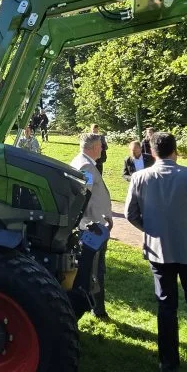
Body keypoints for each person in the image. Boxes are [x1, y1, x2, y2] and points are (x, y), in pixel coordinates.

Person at [124, 132, 187, 372]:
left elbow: (130, 214)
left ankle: (168, 363)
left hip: (159, 251)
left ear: (153, 152)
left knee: (166, 306)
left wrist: (152, 230)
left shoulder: (139, 177)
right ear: (174, 151)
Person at [70, 134, 112, 319]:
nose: (102, 150)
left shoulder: (84, 162)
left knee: (94, 268)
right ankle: (97, 309)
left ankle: (93, 306)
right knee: (95, 270)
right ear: (93, 147)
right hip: (91, 227)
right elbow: (82, 196)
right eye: (101, 147)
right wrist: (90, 222)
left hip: (92, 224)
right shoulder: (86, 165)